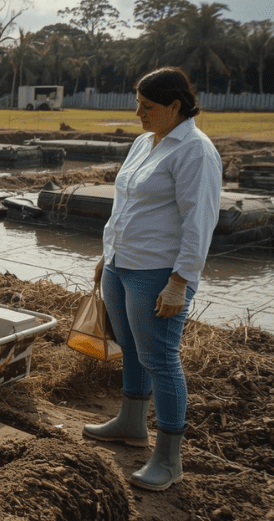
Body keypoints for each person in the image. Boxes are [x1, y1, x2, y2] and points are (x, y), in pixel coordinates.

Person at [83, 67, 222, 491]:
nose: (138, 113)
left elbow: (199, 221)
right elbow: (126, 205)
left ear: (175, 106)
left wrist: (180, 281)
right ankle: (131, 423)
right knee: (131, 348)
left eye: (147, 106)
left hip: (158, 272)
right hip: (122, 263)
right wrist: (107, 255)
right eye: (137, 104)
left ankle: (168, 459)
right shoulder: (144, 142)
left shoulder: (195, 151)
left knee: (160, 359)